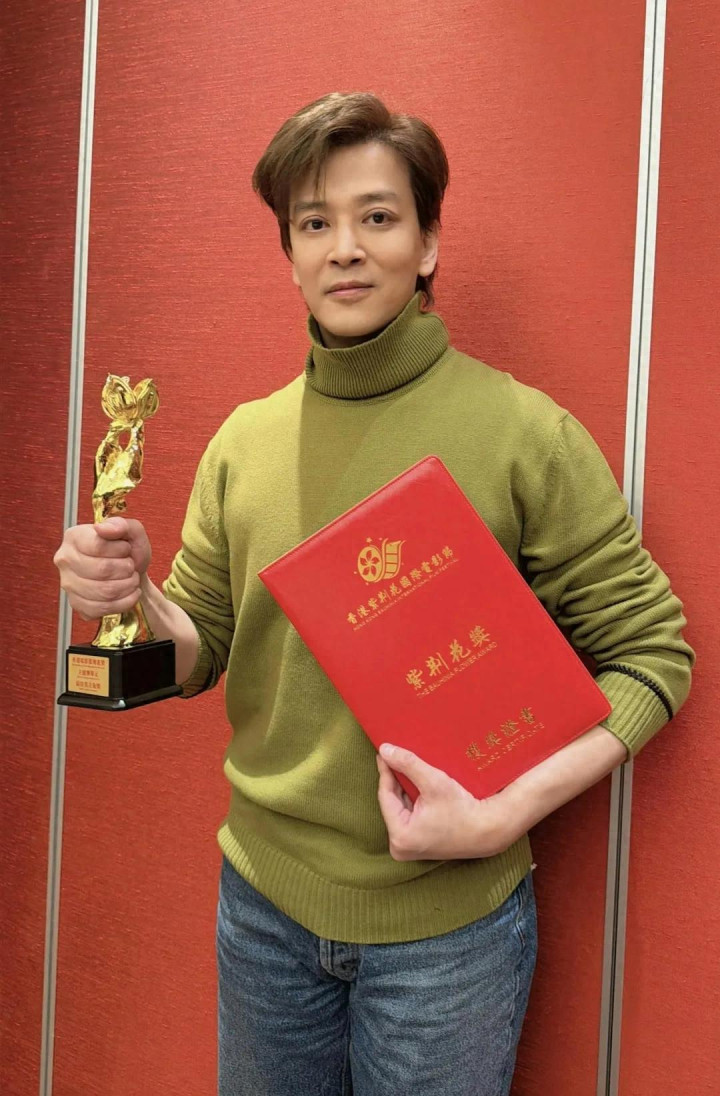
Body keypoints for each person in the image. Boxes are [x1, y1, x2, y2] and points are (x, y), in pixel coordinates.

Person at [54, 91, 695, 1096]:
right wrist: (133, 593)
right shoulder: (243, 443)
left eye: (379, 217)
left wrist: (502, 817)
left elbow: (654, 656)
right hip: (260, 910)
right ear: (290, 254)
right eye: (315, 223)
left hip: (450, 937)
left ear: (429, 243)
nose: (345, 248)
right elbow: (201, 646)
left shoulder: (524, 433)